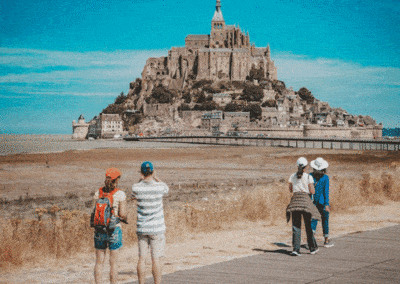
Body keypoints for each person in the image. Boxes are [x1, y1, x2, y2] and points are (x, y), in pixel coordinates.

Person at [132, 161, 169, 284]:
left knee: (142, 258)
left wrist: (141, 179)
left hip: (142, 228)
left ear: (142, 173)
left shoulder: (136, 187)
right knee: (155, 259)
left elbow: (133, 193)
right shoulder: (159, 187)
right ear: (152, 172)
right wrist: (155, 176)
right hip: (156, 229)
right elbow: (166, 188)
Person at [93, 167, 128, 284]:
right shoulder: (120, 194)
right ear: (117, 179)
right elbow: (122, 214)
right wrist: (125, 217)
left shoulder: (98, 193)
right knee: (113, 263)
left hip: (99, 230)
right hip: (114, 230)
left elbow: (95, 213)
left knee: (99, 262)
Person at [286, 157, 321, 256]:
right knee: (308, 226)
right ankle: (312, 248)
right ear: (306, 166)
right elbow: (312, 191)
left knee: (296, 226)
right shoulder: (309, 177)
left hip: (295, 202)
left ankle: (296, 249)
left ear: (297, 166)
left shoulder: (292, 176)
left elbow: (290, 190)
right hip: (305, 202)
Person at [310, 157, 334, 248]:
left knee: (313, 220)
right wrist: (327, 204)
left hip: (312, 202)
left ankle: (311, 241)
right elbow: (326, 192)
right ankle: (326, 241)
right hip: (322, 202)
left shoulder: (310, 176)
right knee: (325, 221)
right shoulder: (325, 178)